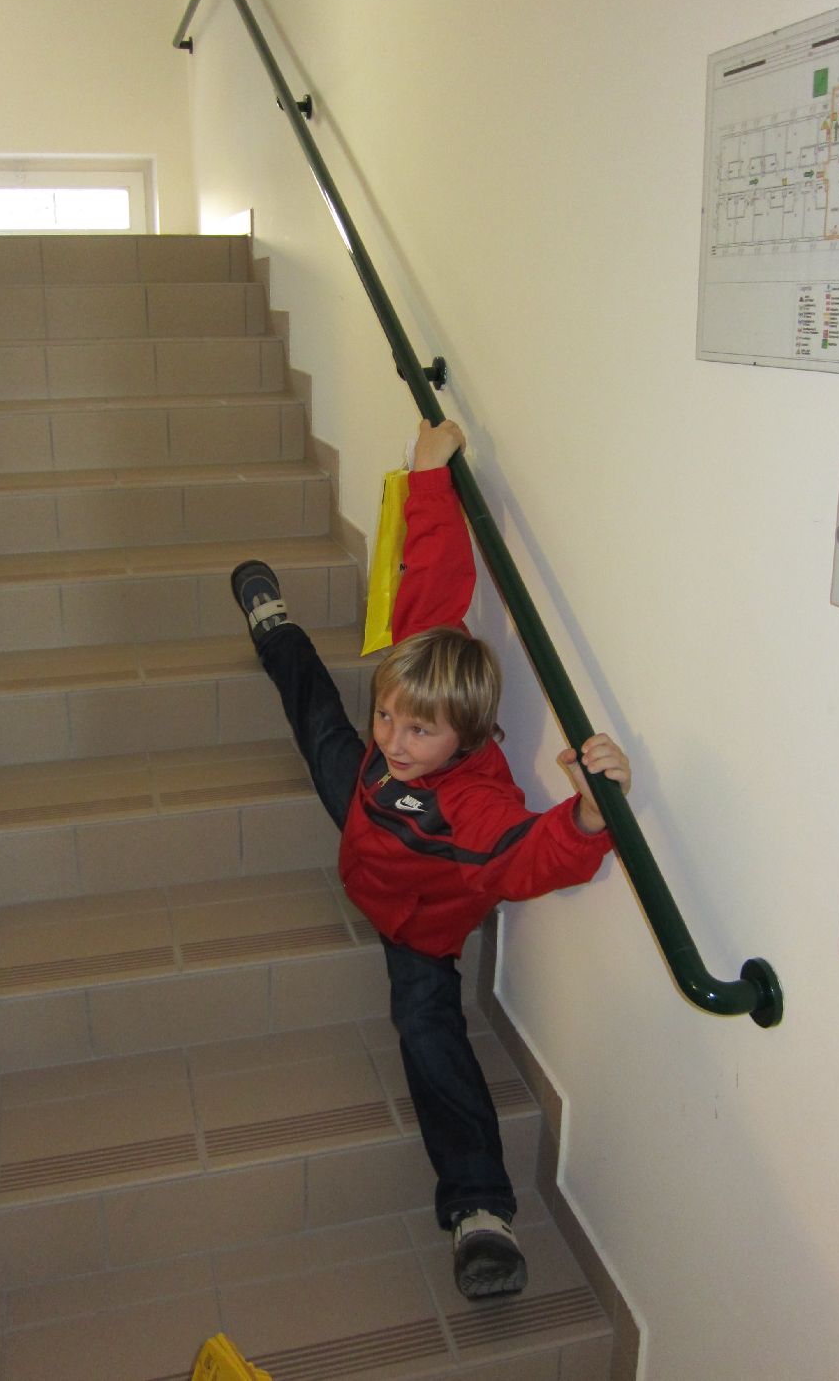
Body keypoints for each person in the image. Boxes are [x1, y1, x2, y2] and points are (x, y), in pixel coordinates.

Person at [231, 418, 631, 1301]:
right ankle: (274, 630)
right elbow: (436, 580)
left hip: (414, 929)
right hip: (361, 814)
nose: (394, 738)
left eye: (417, 731)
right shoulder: (399, 727)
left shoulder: (473, 803)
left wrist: (588, 814)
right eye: (389, 716)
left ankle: (479, 1211)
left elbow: (527, 856)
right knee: (320, 721)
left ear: (468, 735)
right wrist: (426, 475)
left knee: (428, 1031)